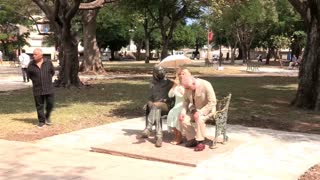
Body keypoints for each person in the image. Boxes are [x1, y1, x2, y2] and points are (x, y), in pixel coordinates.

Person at [179, 72, 217, 151]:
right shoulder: (188, 87)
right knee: (183, 119)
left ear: (193, 83)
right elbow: (185, 101)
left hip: (208, 110)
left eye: (188, 88)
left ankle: (200, 141)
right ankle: (192, 139)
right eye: (186, 88)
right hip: (195, 109)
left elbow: (212, 102)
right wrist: (183, 111)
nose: (186, 90)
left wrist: (201, 112)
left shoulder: (206, 85)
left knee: (199, 119)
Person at [141, 66, 174, 147]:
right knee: (156, 109)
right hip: (155, 106)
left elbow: (173, 96)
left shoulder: (169, 82)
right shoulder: (152, 83)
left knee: (156, 106)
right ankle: (159, 137)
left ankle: (149, 128)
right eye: (159, 71)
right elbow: (150, 97)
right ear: (155, 73)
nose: (161, 72)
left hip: (166, 106)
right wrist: (149, 103)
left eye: (162, 70)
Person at [27, 48, 55, 128]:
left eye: (35, 54)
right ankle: (41, 121)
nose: (33, 56)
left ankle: (47, 116)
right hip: (37, 89)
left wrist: (46, 79)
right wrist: (36, 81)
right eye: (33, 54)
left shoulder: (48, 63)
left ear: (41, 55)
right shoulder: (31, 64)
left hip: (48, 88)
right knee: (39, 106)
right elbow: (29, 75)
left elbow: (52, 72)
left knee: (50, 103)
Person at [166, 68, 187, 145]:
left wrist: (183, 91)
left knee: (177, 114)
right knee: (171, 113)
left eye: (182, 74)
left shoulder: (187, 84)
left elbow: (188, 98)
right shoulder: (177, 85)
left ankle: (179, 137)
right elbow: (170, 95)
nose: (181, 75)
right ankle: (176, 136)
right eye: (179, 74)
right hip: (176, 106)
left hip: (184, 106)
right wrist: (174, 85)